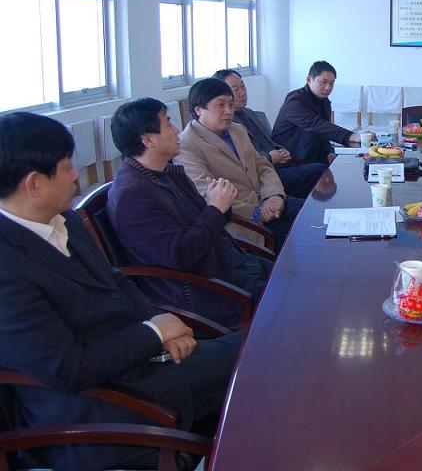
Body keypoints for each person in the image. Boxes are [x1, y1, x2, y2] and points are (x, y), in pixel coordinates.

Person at [0, 112, 242, 470]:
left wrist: (161, 323)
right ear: (33, 184)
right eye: (67, 168)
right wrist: (155, 333)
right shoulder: (7, 267)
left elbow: (116, 281)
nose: (76, 176)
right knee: (257, 361)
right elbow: (67, 368)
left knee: (260, 349)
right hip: (101, 407)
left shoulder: (63, 219)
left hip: (141, 362)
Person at [108, 98, 271, 328]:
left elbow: (207, 223)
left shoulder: (167, 173)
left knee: (302, 279)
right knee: (297, 305)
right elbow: (180, 255)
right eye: (168, 123)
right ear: (148, 139)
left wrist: (220, 204)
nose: (176, 130)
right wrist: (215, 208)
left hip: (231, 264)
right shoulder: (133, 195)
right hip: (210, 288)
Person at [176, 78, 304, 247]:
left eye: (231, 104)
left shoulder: (237, 130)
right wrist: (256, 213)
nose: (229, 111)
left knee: (315, 214)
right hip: (241, 220)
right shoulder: (187, 145)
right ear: (199, 109)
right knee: (300, 240)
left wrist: (274, 195)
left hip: (267, 202)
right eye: (221, 105)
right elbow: (205, 194)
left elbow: (263, 166)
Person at [213, 69, 327, 198]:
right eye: (235, 89)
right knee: (319, 170)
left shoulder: (250, 113)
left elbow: (268, 141)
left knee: (318, 162)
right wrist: (270, 157)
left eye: (243, 86)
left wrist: (280, 150)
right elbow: (243, 161)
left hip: (281, 164)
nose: (242, 93)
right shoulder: (227, 124)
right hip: (264, 173)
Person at [272, 61, 360, 165]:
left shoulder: (324, 102)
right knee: (326, 168)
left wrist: (329, 152)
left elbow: (324, 133)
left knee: (348, 162)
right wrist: (350, 136)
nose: (328, 87)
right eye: (324, 82)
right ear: (309, 80)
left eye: (331, 83)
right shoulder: (295, 100)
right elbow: (316, 125)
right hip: (289, 161)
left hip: (310, 156)